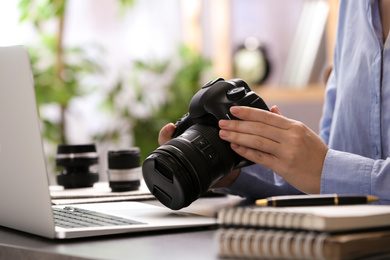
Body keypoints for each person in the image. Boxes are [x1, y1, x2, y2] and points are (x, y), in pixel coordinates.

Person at [158, 0, 390, 204]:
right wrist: (227, 169)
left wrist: (325, 169)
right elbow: (321, 181)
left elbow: (326, 172)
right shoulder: (351, 6)